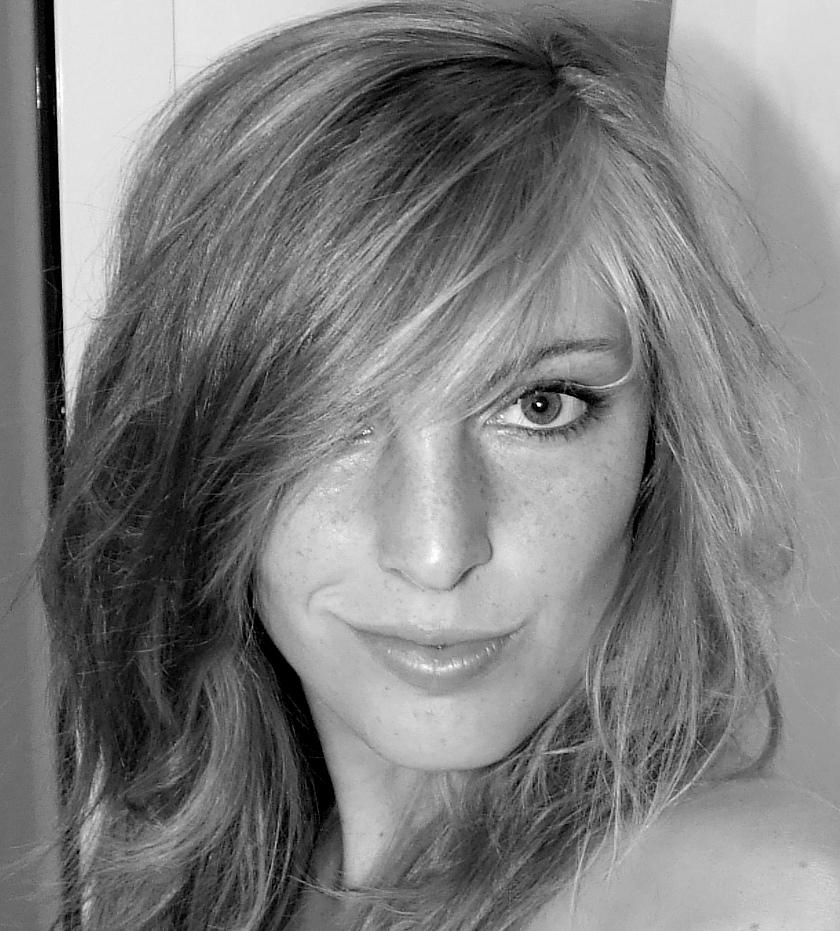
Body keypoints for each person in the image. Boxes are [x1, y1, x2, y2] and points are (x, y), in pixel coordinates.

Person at [40, 2, 840, 929]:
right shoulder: (220, 882)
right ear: (196, 455)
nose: (435, 550)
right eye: (334, 416)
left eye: (539, 407)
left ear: (661, 447)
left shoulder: (767, 896)